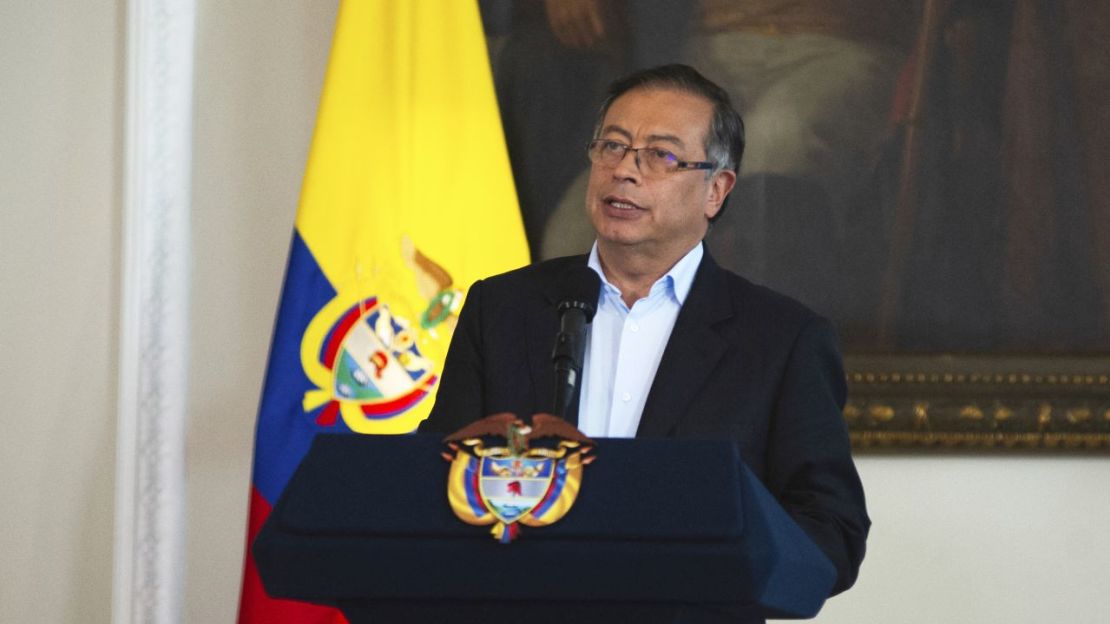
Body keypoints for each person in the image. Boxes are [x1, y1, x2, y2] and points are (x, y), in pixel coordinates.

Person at [419, 64, 868, 623]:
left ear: (716, 190)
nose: (625, 170)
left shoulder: (781, 340)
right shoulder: (503, 308)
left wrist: (707, 560)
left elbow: (832, 531)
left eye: (660, 155)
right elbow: (434, 474)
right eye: (612, 145)